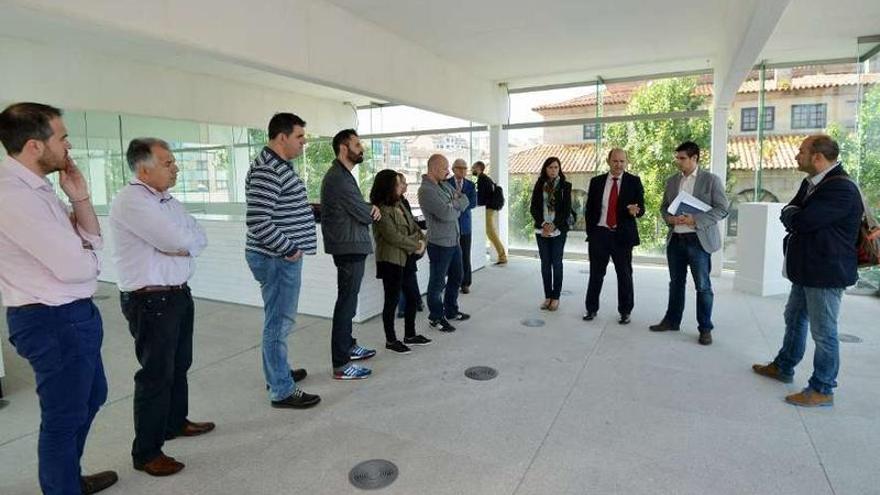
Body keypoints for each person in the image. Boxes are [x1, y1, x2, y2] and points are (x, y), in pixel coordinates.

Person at [0, 102, 118, 494]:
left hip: (72, 313)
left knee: (91, 396)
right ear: (35, 145)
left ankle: (67, 478)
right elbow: (78, 267)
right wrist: (85, 254)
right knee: (64, 416)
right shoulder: (13, 195)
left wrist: (81, 198)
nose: (69, 145)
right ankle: (61, 487)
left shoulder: (40, 188)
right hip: (51, 319)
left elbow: (92, 241)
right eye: (63, 137)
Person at [111, 138, 216, 476]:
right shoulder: (132, 201)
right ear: (144, 168)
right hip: (151, 300)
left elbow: (197, 236)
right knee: (155, 375)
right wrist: (181, 243)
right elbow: (177, 240)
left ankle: (175, 422)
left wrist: (182, 245)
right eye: (168, 163)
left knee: (180, 364)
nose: (176, 168)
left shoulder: (167, 199)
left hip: (178, 294)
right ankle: (146, 452)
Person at [752, 135, 862, 407]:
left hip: (826, 272)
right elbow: (791, 212)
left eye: (801, 151)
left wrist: (794, 215)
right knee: (794, 317)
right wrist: (794, 215)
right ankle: (784, 366)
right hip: (807, 269)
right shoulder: (811, 183)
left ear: (817, 157)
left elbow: (801, 219)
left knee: (824, 332)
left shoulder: (841, 189)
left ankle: (823, 388)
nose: (796, 156)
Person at [244, 113, 321, 407]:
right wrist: (289, 248)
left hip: (279, 257)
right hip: (276, 258)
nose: (303, 143)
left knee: (277, 318)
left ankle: (277, 372)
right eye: (299, 137)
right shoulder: (267, 170)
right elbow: (258, 220)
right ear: (282, 137)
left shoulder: (278, 165)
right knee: (279, 321)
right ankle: (282, 389)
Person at [649, 141, 729, 345]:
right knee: (676, 283)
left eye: (682, 158)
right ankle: (671, 321)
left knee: (703, 286)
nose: (678, 161)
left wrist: (695, 220)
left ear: (695, 158)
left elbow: (722, 209)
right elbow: (664, 207)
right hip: (676, 239)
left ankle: (705, 328)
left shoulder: (711, 180)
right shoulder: (672, 181)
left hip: (698, 241)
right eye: (677, 157)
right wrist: (670, 219)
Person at [321, 129, 380, 380]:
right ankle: (341, 364)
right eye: (357, 144)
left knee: (349, 300)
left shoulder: (343, 175)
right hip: (348, 247)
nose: (361, 148)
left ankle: (349, 346)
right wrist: (371, 209)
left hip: (350, 245)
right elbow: (363, 212)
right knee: (346, 304)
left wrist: (367, 208)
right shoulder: (338, 178)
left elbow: (358, 207)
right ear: (344, 148)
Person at [370, 169, 432, 353]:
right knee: (392, 301)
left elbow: (414, 226)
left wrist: (422, 240)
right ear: (389, 186)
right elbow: (393, 236)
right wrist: (416, 245)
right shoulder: (380, 209)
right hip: (391, 262)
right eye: (399, 183)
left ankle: (410, 335)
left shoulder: (400, 204)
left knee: (413, 298)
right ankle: (391, 340)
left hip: (407, 259)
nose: (402, 186)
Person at [583, 149, 645, 324]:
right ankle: (591, 309)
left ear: (626, 162)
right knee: (596, 274)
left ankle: (625, 311)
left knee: (624, 274)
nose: (619, 164)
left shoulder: (634, 181)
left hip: (622, 236)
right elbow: (589, 210)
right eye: (615, 161)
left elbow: (641, 208)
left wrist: (636, 211)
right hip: (600, 234)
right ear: (608, 161)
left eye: (622, 161)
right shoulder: (596, 182)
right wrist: (592, 232)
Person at [419, 153, 471, 332]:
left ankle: (450, 310)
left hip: (453, 240)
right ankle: (436, 317)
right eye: (444, 168)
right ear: (433, 168)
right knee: (437, 283)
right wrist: (454, 204)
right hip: (439, 244)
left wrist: (453, 203)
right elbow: (447, 214)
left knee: (457, 276)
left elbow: (465, 199)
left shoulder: (443, 185)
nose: (448, 171)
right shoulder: (426, 190)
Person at [529, 157, 573, 312]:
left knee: (557, 263)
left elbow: (566, 210)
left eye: (556, 167)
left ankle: (556, 297)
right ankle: (547, 296)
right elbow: (533, 207)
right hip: (542, 229)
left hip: (559, 229)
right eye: (550, 167)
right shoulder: (539, 184)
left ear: (559, 169)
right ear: (545, 169)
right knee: (545, 264)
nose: (553, 170)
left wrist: (553, 225)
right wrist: (543, 224)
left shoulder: (565, 186)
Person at [448, 159, 477, 293]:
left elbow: (472, 203)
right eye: (460, 168)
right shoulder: (446, 184)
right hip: (450, 226)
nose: (463, 171)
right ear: (453, 169)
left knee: (465, 254)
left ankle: (465, 283)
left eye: (465, 168)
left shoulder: (471, 185)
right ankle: (451, 281)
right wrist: (459, 203)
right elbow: (445, 202)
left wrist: (457, 202)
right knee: (451, 255)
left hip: (465, 226)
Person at [473, 160, 508, 264]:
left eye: (473, 167)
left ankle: (502, 256)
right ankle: (502, 256)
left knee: (490, 232)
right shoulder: (484, 178)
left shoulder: (482, 179)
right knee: (490, 232)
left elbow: (482, 196)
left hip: (488, 208)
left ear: (479, 168)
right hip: (489, 208)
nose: (472, 169)